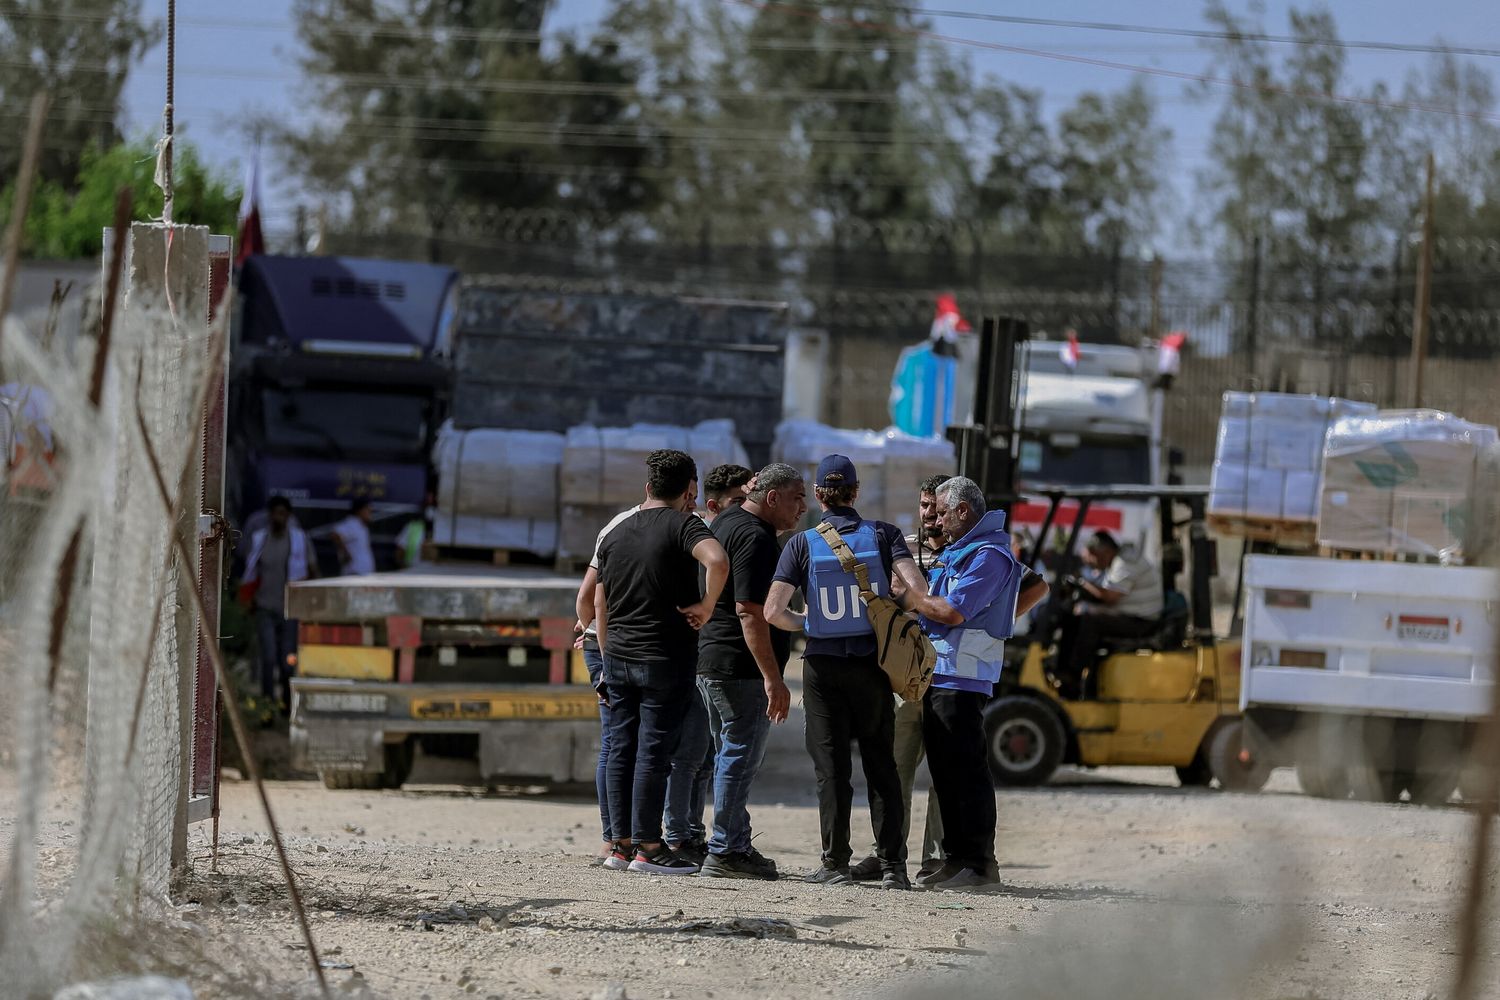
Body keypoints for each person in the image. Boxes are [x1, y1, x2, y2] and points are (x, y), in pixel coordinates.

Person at [764, 455, 931, 891]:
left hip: (823, 667)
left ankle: (836, 863)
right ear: (855, 492)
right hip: (871, 665)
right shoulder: (884, 535)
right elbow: (918, 592)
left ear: (818, 495)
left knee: (831, 769)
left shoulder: (801, 544)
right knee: (881, 765)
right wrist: (890, 608)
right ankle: (893, 866)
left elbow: (773, 611)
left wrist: (810, 622)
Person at [905, 477, 1049, 890]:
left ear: (963, 511)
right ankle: (956, 859)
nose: (937, 521)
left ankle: (980, 864)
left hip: (964, 677)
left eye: (943, 513)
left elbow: (952, 612)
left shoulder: (989, 556)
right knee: (946, 774)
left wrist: (912, 597)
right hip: (942, 672)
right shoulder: (963, 550)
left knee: (966, 773)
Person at [595, 449, 729, 875]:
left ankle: (620, 845)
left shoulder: (616, 531)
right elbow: (717, 560)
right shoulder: (685, 525)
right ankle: (650, 848)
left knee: (621, 748)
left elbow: (599, 601)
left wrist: (607, 656)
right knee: (653, 751)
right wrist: (707, 605)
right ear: (690, 490)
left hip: (618, 655)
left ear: (648, 487)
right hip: (663, 657)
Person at [695, 463, 806, 880]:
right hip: (739, 668)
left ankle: (734, 842)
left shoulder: (726, 522)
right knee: (739, 757)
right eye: (797, 498)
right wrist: (773, 678)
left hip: (713, 661)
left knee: (729, 756)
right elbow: (749, 611)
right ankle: (725, 850)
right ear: (772, 498)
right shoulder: (756, 538)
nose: (802, 508)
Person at [852, 472, 950, 883]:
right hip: (905, 676)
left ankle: (939, 858)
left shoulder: (971, 553)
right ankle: (887, 852)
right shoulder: (902, 549)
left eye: (937, 508)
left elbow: (1031, 586)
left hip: (949, 675)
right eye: (925, 505)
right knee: (894, 768)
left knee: (946, 772)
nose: (930, 515)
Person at [661, 462, 754, 865]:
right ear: (713, 505)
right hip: (695, 656)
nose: (745, 508)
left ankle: (691, 831)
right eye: (738, 501)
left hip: (707, 656)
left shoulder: (728, 537)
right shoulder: (697, 537)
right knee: (689, 755)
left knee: (704, 758)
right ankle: (678, 835)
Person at [574, 496, 644, 866]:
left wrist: (591, 630)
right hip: (615, 647)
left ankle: (616, 840)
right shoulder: (646, 528)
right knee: (624, 744)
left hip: (605, 645)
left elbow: (586, 601)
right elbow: (591, 600)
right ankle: (619, 840)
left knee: (616, 742)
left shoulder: (618, 526)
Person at [1060, 530, 1164, 697]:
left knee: (1091, 621)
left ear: (1106, 551)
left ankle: (1073, 675)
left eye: (1094, 556)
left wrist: (1083, 584)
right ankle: (1069, 672)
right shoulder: (1117, 561)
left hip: (1142, 621)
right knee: (1077, 618)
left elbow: (1109, 597)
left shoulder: (1125, 562)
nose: (1093, 562)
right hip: (1131, 614)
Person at [241, 496, 318, 703]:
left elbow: (312, 570)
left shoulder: (299, 540)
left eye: (282, 514)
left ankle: (286, 701)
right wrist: (248, 598)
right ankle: (268, 703)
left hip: (290, 609)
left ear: (288, 516)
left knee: (288, 659)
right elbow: (250, 571)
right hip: (265, 607)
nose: (278, 518)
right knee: (268, 657)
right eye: (275, 513)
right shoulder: (260, 540)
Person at [331, 499, 376, 576]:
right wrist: (345, 553)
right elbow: (335, 535)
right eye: (368, 510)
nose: (370, 513)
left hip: (364, 573)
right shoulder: (351, 523)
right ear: (360, 510)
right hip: (354, 572)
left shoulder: (362, 526)